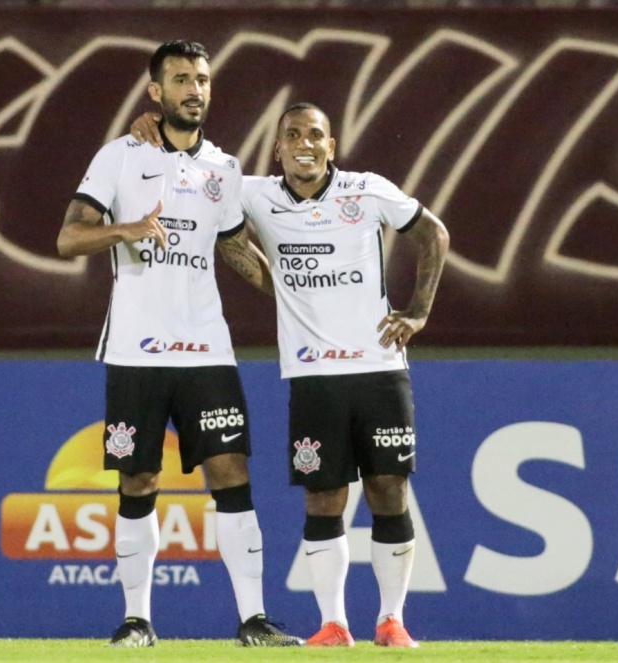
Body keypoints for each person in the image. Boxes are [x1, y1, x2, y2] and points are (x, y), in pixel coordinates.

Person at [132, 102, 449, 647]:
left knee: (388, 490)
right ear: (277, 148)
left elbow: (433, 234)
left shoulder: (367, 189)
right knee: (323, 497)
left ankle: (392, 621)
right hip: (312, 375)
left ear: (332, 146)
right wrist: (151, 136)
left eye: (315, 135)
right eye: (293, 135)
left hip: (378, 367)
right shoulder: (255, 193)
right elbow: (199, 187)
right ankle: (334, 625)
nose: (304, 143)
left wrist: (417, 311)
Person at [58, 40, 301, 648]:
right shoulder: (120, 157)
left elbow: (233, 248)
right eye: (181, 79)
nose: (194, 89)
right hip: (137, 354)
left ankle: (253, 620)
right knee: (138, 481)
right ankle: (136, 620)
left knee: (231, 473)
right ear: (155, 92)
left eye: (202, 79)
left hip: (206, 351)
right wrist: (126, 229)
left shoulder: (223, 169)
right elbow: (68, 238)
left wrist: (296, 292)